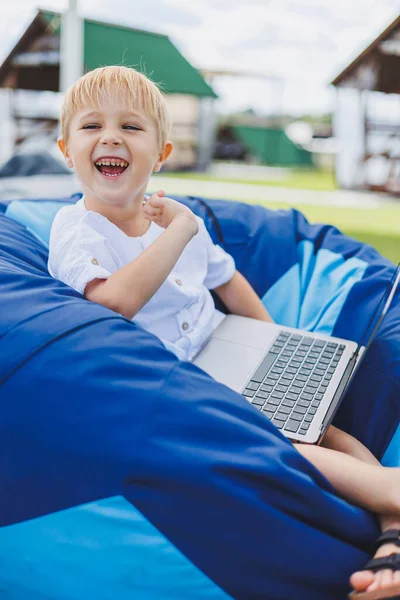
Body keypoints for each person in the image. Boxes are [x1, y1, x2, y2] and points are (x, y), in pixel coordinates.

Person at [48, 65, 400, 599]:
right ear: (65, 150)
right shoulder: (76, 229)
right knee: (282, 442)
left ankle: (391, 528)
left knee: (324, 427)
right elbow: (114, 301)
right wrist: (182, 229)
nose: (111, 136)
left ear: (162, 154)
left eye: (132, 127)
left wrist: (278, 345)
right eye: (92, 126)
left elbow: (230, 282)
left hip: (228, 348)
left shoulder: (173, 219)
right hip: (176, 385)